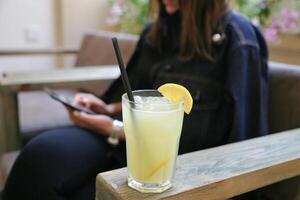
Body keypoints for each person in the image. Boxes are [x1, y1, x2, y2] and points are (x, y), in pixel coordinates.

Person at [3, 0, 268, 199]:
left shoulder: (238, 39)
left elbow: (246, 137)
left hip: (175, 168)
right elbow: (138, 95)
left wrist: (113, 128)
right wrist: (107, 108)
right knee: (38, 158)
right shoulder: (155, 31)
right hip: (118, 145)